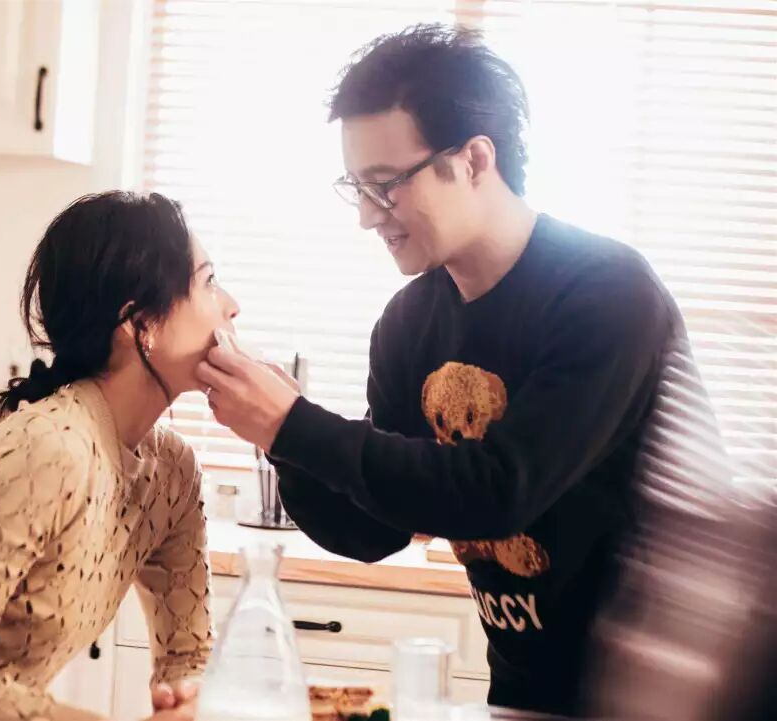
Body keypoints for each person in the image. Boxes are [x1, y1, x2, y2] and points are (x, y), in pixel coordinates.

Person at [195, 24, 694, 716]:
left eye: (385, 186)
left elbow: (498, 489)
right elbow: (374, 530)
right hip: (522, 689)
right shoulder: (409, 324)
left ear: (474, 160)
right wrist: (277, 435)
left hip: (661, 696)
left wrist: (294, 424)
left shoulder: (607, 293)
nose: (367, 216)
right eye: (356, 188)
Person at [0, 191, 240, 721]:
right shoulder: (49, 449)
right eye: (208, 282)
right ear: (140, 323)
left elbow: (189, 658)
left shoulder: (173, 471)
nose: (231, 305)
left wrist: (187, 703)